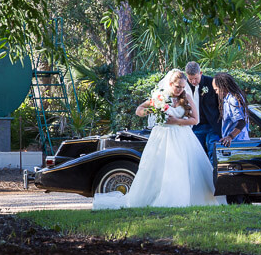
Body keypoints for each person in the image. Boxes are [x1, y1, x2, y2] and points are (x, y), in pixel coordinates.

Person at [92, 69, 222, 209]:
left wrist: (177, 121)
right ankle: (159, 198)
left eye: (183, 87)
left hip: (181, 137)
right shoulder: (160, 97)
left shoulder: (186, 97)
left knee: (181, 168)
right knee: (159, 169)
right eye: (178, 86)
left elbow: (195, 120)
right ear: (170, 83)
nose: (180, 89)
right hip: (162, 137)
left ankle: (182, 199)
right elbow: (139, 110)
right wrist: (153, 110)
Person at [185, 61, 221, 159]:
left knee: (213, 152)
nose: (193, 82)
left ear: (200, 73)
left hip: (213, 125)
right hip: (196, 126)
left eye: (196, 78)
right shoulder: (185, 86)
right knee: (197, 153)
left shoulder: (211, 83)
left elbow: (220, 104)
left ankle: (213, 174)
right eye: (190, 79)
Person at [212, 72, 250, 146]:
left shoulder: (233, 99)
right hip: (236, 142)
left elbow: (241, 122)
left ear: (223, 87)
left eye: (216, 89)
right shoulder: (228, 98)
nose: (216, 92)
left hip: (237, 142)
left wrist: (230, 137)